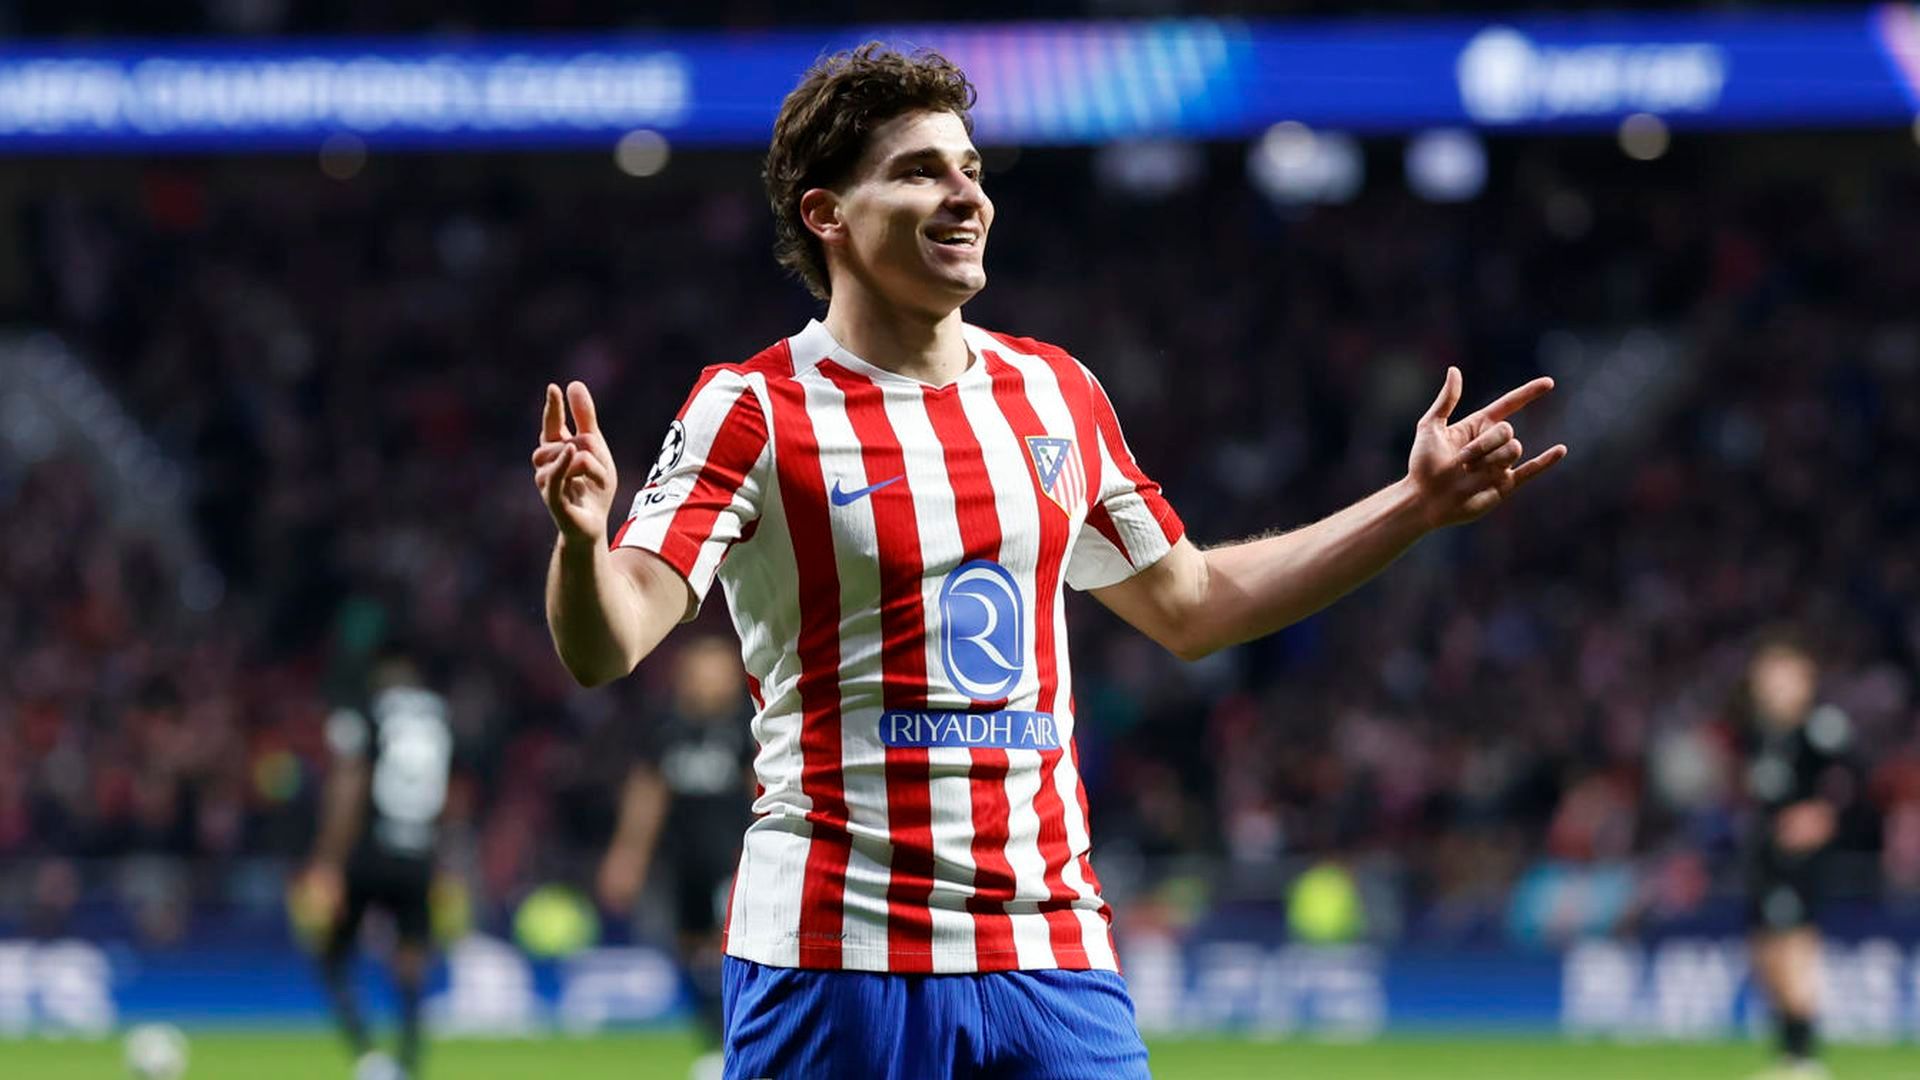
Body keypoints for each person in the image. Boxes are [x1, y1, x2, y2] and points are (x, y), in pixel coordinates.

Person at [531, 43, 1565, 1079]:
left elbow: (1192, 603)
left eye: (971, 169)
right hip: (838, 956)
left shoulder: (1054, 393)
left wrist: (1413, 506)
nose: (964, 194)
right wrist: (582, 547)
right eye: (920, 170)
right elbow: (609, 641)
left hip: (1050, 950)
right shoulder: (752, 409)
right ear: (828, 215)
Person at [596, 636, 755, 1080]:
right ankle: (711, 1042)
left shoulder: (746, 726)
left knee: (726, 954)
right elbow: (647, 795)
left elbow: (760, 789)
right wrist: (627, 855)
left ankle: (728, 1045)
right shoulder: (667, 729)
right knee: (689, 949)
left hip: (735, 862)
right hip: (683, 863)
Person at [300, 646, 455, 1080]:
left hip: (369, 849)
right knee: (410, 956)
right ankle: (409, 1056)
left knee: (331, 955)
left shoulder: (368, 711)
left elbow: (350, 780)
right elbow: (451, 792)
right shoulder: (439, 716)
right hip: (420, 851)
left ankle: (367, 1053)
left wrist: (328, 859)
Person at [1742, 631, 1851, 1080]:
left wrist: (1821, 815)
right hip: (1766, 856)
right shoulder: (1763, 734)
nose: (1772, 686)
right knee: (1765, 951)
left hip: (1800, 862)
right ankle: (1787, 1051)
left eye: (1783, 678)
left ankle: (1805, 1057)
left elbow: (1850, 785)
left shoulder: (1821, 728)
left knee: (1794, 947)